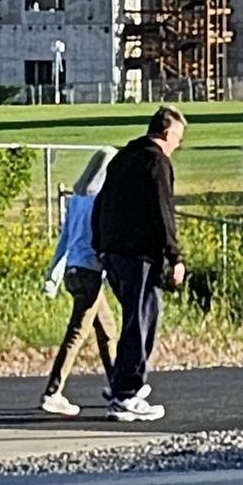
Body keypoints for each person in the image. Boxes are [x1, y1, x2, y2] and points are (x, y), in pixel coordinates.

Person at [90, 105, 185, 421]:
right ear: (168, 134)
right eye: (178, 139)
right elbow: (163, 212)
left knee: (138, 315)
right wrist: (175, 256)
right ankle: (126, 393)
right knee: (141, 319)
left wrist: (100, 244)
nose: (178, 146)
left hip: (113, 251)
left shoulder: (123, 158)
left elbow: (101, 202)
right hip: (140, 254)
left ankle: (124, 380)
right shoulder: (157, 162)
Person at [36, 151, 115, 417]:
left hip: (74, 271)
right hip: (90, 271)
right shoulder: (100, 201)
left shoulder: (77, 199)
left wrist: (53, 275)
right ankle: (53, 392)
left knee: (107, 329)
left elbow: (65, 237)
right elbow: (103, 239)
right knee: (77, 333)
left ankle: (118, 385)